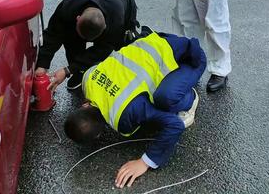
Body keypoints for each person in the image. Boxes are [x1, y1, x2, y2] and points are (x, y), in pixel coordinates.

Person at [64, 29, 206, 188]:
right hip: (159, 40)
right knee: (150, 101)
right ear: (84, 105)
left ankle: (189, 99)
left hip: (189, 57)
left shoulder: (126, 112)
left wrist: (145, 161)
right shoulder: (89, 79)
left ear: (98, 134)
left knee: (165, 99)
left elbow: (174, 125)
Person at [35, 0, 139, 91]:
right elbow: (53, 35)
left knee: (119, 48)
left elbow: (103, 50)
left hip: (123, 0)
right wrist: (42, 65)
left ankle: (112, 77)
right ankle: (80, 72)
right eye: (82, 36)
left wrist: (66, 71)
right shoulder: (67, 8)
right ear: (77, 18)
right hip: (87, 1)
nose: (84, 41)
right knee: (71, 38)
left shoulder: (116, 22)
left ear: (105, 28)